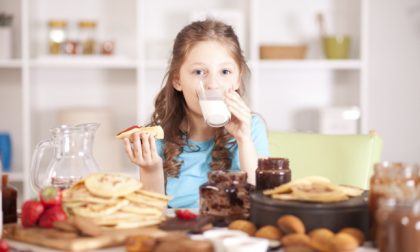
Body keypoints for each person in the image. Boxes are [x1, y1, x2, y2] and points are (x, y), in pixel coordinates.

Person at [123, 19, 269, 209]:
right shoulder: (158, 137)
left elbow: (259, 202)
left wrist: (244, 141)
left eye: (225, 71)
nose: (212, 84)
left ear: (237, 80)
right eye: (199, 72)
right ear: (177, 80)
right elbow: (153, 212)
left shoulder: (251, 127)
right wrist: (150, 169)